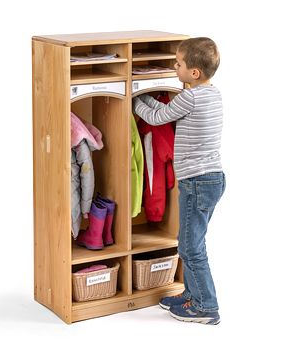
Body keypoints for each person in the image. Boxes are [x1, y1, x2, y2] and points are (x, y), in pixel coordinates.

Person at [133, 37, 226, 325]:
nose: (174, 67)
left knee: (190, 247)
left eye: (178, 64)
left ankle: (206, 307)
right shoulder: (213, 93)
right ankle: (191, 295)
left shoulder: (189, 96)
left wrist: (136, 96)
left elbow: (157, 116)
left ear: (194, 73)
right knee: (191, 241)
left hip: (196, 181)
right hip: (213, 178)